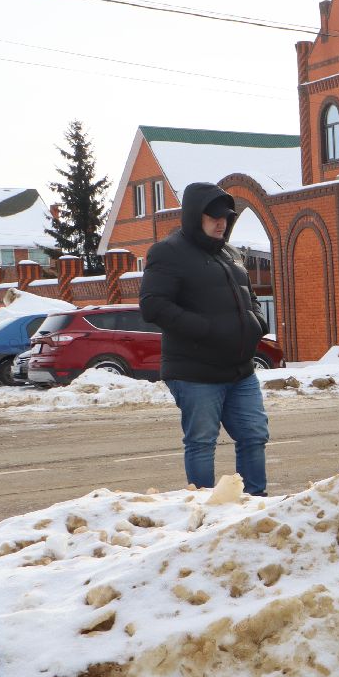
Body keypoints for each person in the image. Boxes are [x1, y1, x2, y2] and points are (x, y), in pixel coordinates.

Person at [140, 182, 271, 496]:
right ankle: (201, 510)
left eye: (226, 216)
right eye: (213, 216)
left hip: (240, 370)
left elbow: (249, 296)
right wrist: (206, 329)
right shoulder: (168, 252)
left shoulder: (231, 253)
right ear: (194, 216)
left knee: (254, 436)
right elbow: (153, 306)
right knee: (202, 442)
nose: (221, 222)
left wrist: (256, 322)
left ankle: (255, 503)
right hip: (195, 371)